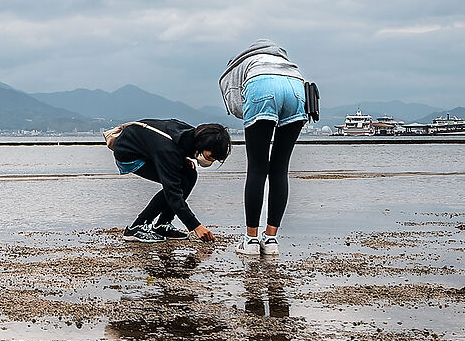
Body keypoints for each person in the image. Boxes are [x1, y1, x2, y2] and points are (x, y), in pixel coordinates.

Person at [219, 43, 318, 256]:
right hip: (296, 86)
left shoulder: (244, 63)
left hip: (261, 85)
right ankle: (271, 239)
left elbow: (235, 100)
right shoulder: (283, 61)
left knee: (256, 167)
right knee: (280, 169)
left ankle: (251, 240)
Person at [101, 119, 230, 243]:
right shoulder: (168, 151)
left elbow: (175, 144)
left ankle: (163, 224)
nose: (211, 161)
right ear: (202, 145)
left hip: (150, 148)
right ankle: (136, 227)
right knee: (176, 185)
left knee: (190, 174)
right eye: (210, 157)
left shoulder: (192, 135)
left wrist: (181, 157)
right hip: (129, 153)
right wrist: (196, 226)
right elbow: (173, 194)